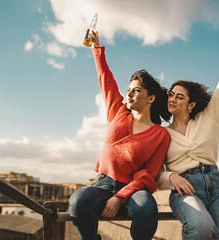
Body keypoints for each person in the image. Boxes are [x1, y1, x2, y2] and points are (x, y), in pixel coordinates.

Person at [69, 31, 171, 240]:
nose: (129, 94)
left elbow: (148, 175)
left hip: (134, 189)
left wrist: (119, 197)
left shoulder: (160, 134)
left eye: (136, 90)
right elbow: (105, 78)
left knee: (147, 209)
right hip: (103, 184)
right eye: (129, 90)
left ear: (151, 98)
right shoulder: (118, 111)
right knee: (78, 200)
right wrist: (97, 50)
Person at [156, 29, 219, 240]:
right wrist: (171, 176)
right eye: (171, 95)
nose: (172, 99)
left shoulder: (208, 118)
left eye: (179, 97)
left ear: (191, 105)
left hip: (218, 186)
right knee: (200, 227)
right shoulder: (161, 134)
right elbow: (153, 174)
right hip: (185, 189)